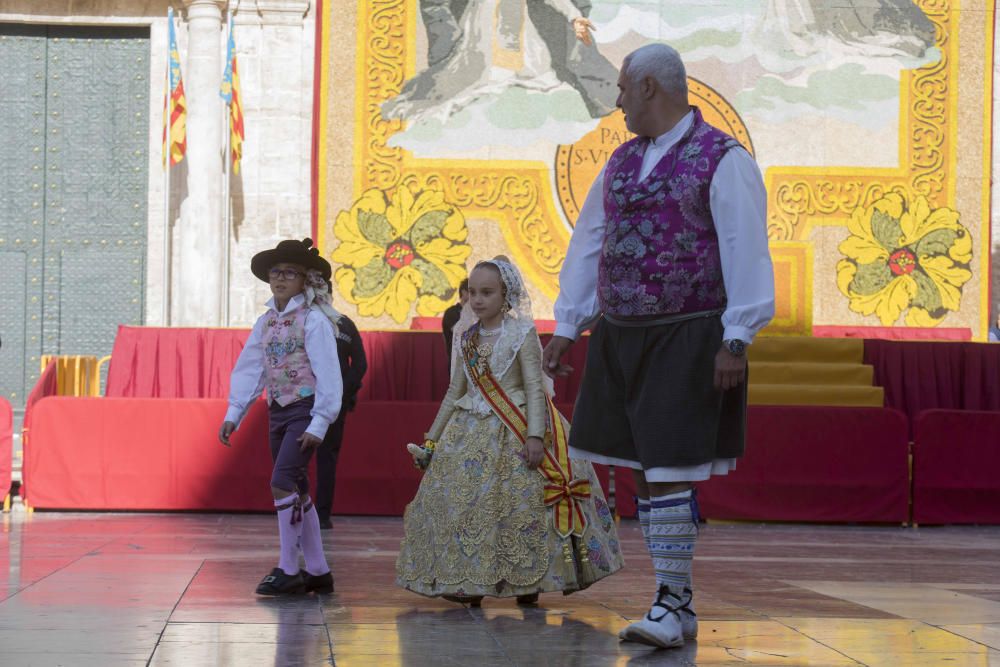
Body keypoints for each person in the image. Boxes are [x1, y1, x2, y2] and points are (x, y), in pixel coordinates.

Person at [542, 43, 775, 649]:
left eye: (622, 88)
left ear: (649, 87)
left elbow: (744, 249)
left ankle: (671, 603)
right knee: (643, 474)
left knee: (669, 470)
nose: (616, 100)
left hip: (688, 335)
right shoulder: (620, 162)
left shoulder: (723, 159)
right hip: (621, 336)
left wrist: (737, 337)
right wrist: (568, 325)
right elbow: (589, 241)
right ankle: (676, 603)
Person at [397, 257, 624, 605]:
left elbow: (535, 387)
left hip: (515, 430)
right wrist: (432, 438)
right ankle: (468, 581)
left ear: (506, 293)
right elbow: (455, 391)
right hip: (468, 431)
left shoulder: (521, 334)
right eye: (473, 292)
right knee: (469, 509)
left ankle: (528, 583)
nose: (477, 300)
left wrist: (535, 435)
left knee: (521, 511)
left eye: (487, 292)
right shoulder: (466, 337)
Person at [219, 238, 343, 596]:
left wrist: (320, 422)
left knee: (281, 482)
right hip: (278, 411)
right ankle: (318, 569)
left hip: (305, 409)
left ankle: (289, 566)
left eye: (290, 273)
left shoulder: (315, 321)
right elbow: (251, 368)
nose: (281, 279)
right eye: (276, 272)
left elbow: (329, 375)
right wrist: (235, 412)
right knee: (298, 488)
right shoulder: (266, 321)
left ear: (305, 280)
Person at [315, 301, 367, 530]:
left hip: (330, 403)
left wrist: (340, 392)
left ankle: (318, 515)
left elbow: (360, 364)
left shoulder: (345, 324)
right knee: (316, 459)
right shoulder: (303, 322)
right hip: (312, 400)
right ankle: (314, 516)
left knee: (323, 459)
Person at [442, 278, 469, 368]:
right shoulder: (451, 312)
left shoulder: (479, 313)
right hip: (458, 363)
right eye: (473, 292)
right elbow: (459, 332)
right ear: (464, 292)